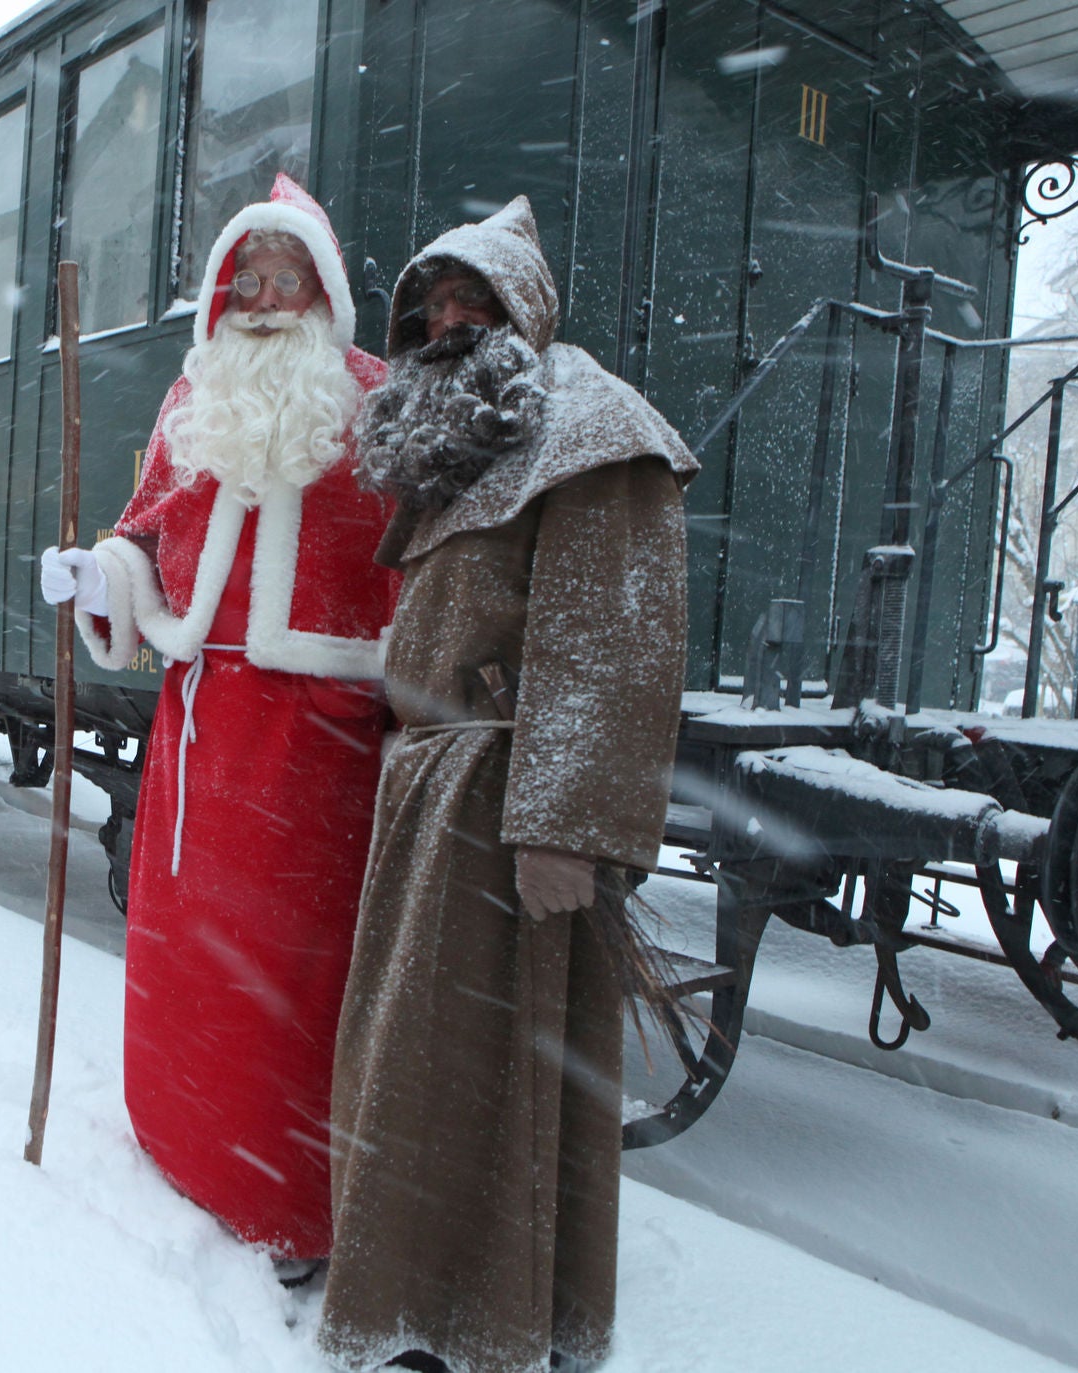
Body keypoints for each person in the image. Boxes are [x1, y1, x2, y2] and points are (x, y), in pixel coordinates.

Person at [317, 197, 698, 1373]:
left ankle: (478, 1325)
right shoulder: (469, 451)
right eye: (428, 304)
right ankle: (413, 1307)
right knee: (421, 1075)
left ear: (521, 309)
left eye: (467, 301)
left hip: (503, 806)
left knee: (482, 1080)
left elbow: (611, 642)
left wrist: (560, 826)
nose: (443, 321)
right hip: (436, 799)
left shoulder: (593, 428)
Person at [39, 174, 395, 1265]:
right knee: (197, 954)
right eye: (250, 278)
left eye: (287, 276)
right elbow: (145, 535)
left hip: (328, 739)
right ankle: (190, 1151)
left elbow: (416, 553)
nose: (267, 296)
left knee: (298, 969)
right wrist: (92, 573)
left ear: (322, 287)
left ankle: (296, 1196)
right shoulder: (194, 401)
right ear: (223, 290)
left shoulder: (372, 398)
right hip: (206, 727)